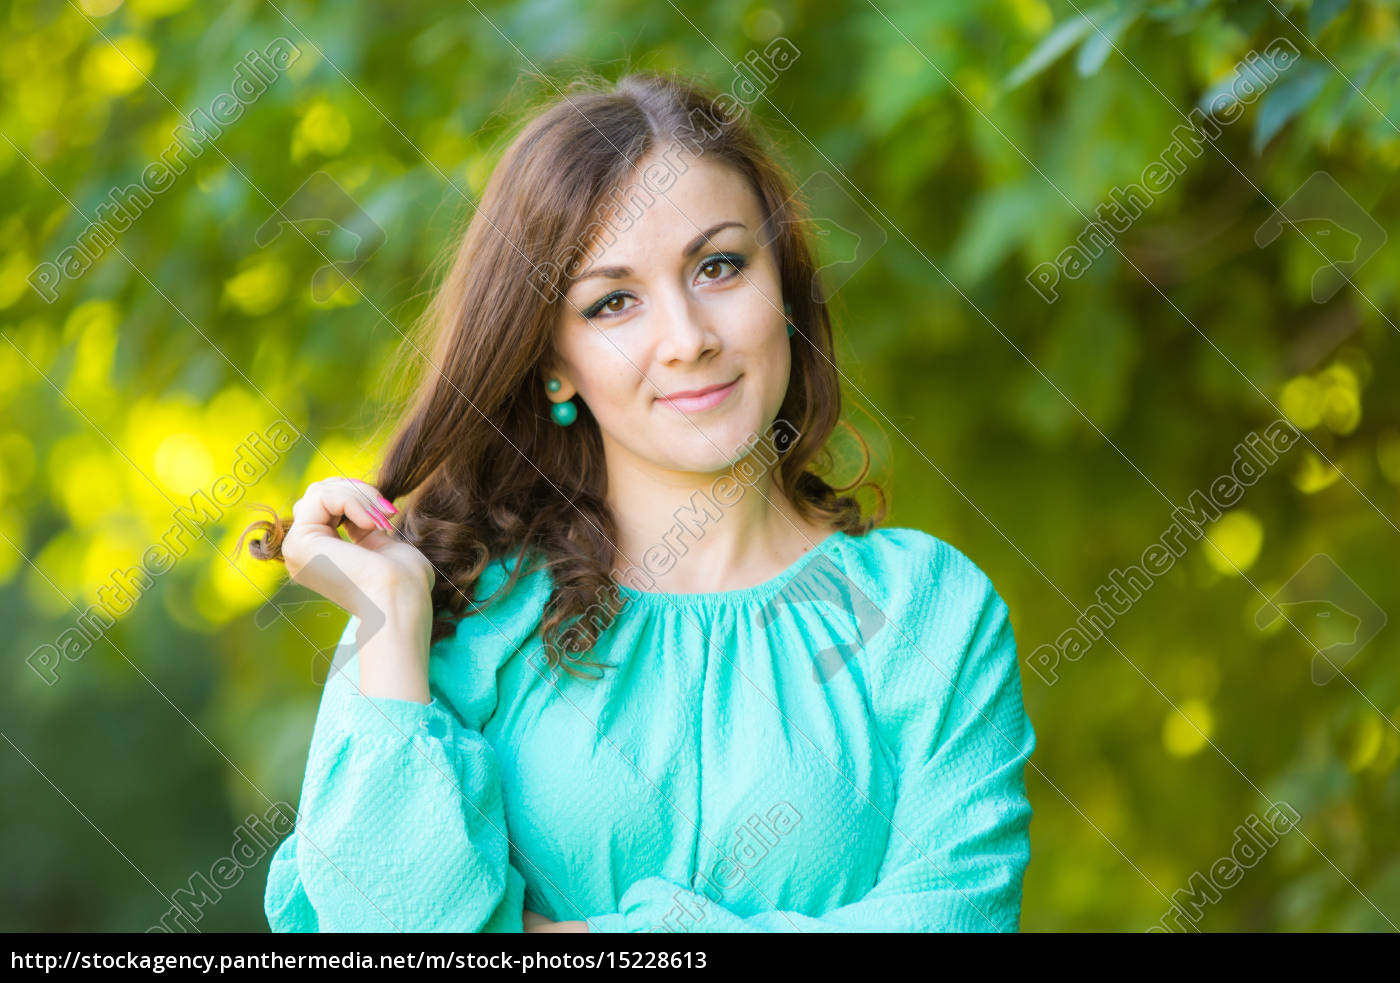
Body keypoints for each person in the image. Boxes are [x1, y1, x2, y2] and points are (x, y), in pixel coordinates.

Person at [241, 69, 1035, 933]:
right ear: (552, 361)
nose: (688, 339)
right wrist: (390, 615)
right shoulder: (466, 610)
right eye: (614, 301)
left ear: (788, 290)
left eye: (719, 266)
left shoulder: (919, 611)